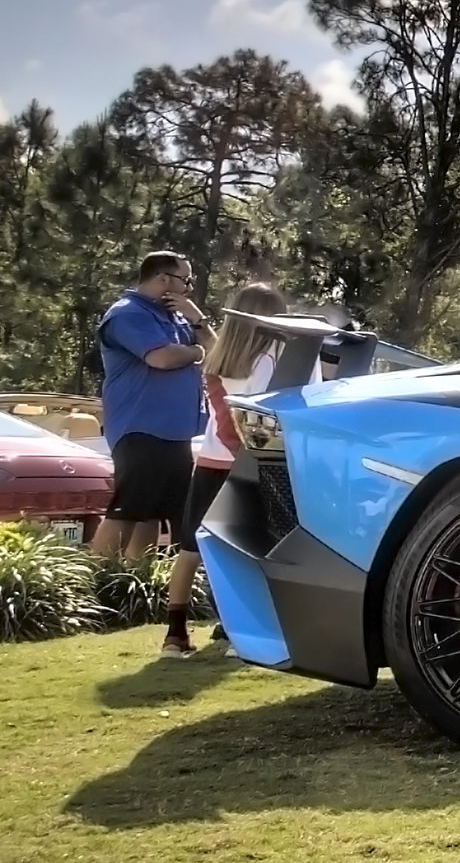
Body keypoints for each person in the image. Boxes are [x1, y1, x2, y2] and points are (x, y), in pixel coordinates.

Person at [161, 281, 287, 659]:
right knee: (251, 550)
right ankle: (242, 634)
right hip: (251, 462)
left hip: (211, 462)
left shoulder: (218, 359)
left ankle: (175, 636)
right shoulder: (275, 356)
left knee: (190, 549)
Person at [88, 252, 214, 562]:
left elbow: (218, 351)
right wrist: (196, 351)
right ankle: (97, 583)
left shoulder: (177, 315)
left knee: (153, 514)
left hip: (175, 431)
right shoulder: (127, 314)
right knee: (128, 509)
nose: (187, 288)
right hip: (140, 428)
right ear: (162, 279)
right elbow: (161, 358)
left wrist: (198, 319)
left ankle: (134, 582)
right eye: (185, 280)